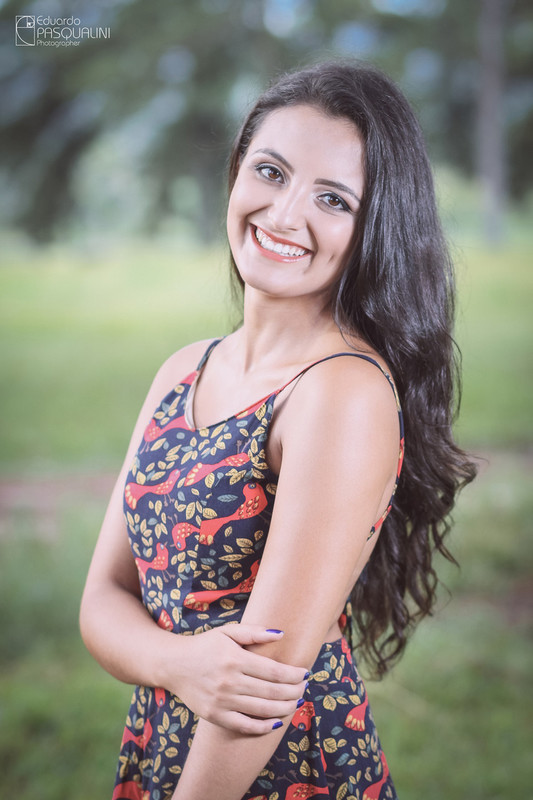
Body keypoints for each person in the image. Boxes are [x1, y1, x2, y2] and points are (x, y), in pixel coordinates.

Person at [80, 60, 476, 800]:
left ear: (374, 228)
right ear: (235, 173)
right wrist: (179, 664)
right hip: (164, 739)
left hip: (270, 773)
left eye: (333, 198)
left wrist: (175, 665)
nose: (286, 214)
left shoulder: (341, 393)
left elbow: (257, 698)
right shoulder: (183, 371)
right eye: (270, 171)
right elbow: (101, 599)